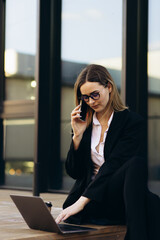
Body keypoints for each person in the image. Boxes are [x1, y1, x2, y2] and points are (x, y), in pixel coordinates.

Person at [56, 64, 160, 240]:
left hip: (117, 197)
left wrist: (82, 201)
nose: (91, 101)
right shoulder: (85, 125)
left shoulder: (132, 122)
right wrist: (77, 137)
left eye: (95, 94)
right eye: (85, 97)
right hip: (92, 204)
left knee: (136, 164)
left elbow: (114, 165)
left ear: (109, 87)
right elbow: (74, 172)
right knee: (150, 202)